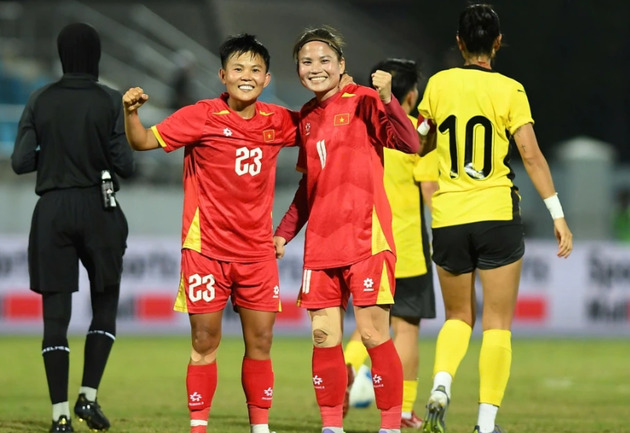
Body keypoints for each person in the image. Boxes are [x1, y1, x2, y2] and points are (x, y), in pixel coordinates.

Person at [122, 34, 300, 433]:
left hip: (257, 255)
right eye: (238, 69)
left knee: (262, 342)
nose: (246, 76)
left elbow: (321, 130)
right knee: (204, 340)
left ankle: (260, 427)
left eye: (255, 70)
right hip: (206, 251)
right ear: (223, 76)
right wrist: (131, 113)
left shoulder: (278, 121)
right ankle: (199, 426)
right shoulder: (200, 115)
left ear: (267, 79)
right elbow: (142, 140)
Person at [416, 4, 573, 433]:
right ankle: (485, 424)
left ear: (459, 42)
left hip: (449, 216)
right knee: (497, 324)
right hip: (495, 214)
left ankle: (442, 383)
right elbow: (531, 155)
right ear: (498, 42)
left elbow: (419, 139)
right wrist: (557, 215)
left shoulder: (439, 84)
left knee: (457, 317)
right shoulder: (510, 90)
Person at [273, 26, 419, 433]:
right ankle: (332, 426)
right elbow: (309, 187)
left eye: (324, 60)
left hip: (366, 239)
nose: (315, 68)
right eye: (306, 62)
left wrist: (388, 98)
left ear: (341, 65)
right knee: (323, 337)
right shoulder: (306, 117)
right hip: (321, 245)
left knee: (373, 334)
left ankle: (389, 426)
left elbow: (410, 144)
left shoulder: (365, 99)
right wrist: (284, 231)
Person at [11, 23, 135, 433]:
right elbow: (126, 164)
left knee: (55, 318)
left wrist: (53, 151)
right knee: (105, 302)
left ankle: (59, 415)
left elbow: (20, 162)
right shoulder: (110, 99)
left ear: (61, 55)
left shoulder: (40, 99)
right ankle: (88, 397)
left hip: (52, 209)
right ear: (95, 56)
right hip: (99, 205)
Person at [342, 58, 438, 429]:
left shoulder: (362, 128)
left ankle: (349, 365)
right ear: (411, 96)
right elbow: (429, 189)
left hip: (367, 244)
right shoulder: (414, 134)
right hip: (407, 248)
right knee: (406, 328)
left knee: (370, 322)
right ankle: (404, 409)